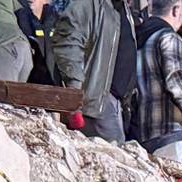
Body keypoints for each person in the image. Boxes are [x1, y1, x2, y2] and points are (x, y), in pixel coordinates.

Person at [48, 0, 136, 143]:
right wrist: (74, 91)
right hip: (97, 102)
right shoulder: (88, 4)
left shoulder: (122, 8)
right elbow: (68, 43)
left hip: (115, 104)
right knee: (112, 157)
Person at [135, 0, 182, 167]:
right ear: (175, 9)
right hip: (173, 132)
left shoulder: (143, 39)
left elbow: (181, 69)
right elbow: (176, 81)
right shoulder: (170, 38)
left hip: (148, 132)